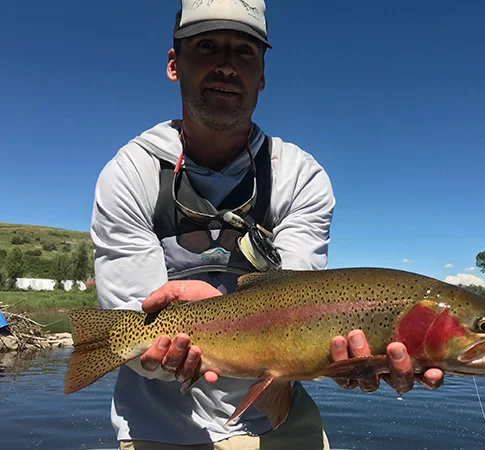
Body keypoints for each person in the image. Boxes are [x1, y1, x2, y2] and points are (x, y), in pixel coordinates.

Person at [90, 1, 444, 449]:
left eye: (244, 53)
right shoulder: (129, 175)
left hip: (277, 419)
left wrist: (348, 360)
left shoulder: (300, 176)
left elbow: (303, 309)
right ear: (174, 65)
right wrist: (193, 327)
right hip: (158, 427)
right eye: (207, 46)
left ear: (262, 75)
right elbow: (129, 330)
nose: (226, 66)